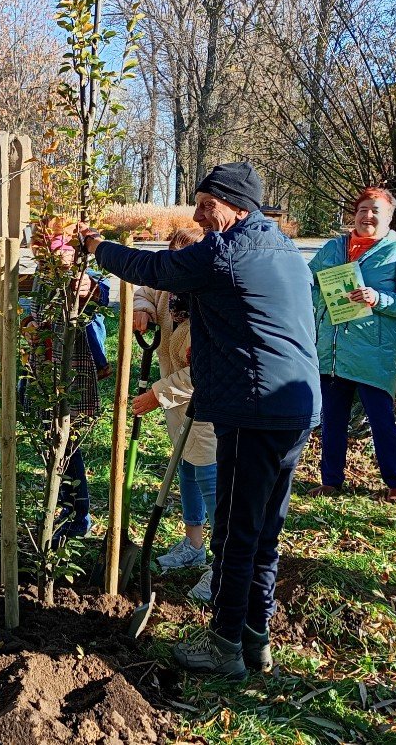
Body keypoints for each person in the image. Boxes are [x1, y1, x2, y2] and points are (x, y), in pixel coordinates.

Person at [79, 162, 320, 680]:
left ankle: (225, 646)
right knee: (263, 532)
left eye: (206, 205)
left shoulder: (226, 251)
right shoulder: (282, 250)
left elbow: (156, 272)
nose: (195, 214)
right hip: (293, 407)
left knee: (234, 532)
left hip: (253, 409)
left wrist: (96, 246)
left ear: (236, 206)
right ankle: (256, 640)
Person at [307, 187, 396, 503]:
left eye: (376, 209)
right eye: (362, 209)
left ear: (389, 215)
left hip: (372, 354)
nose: (368, 215)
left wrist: (379, 299)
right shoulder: (334, 248)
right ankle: (331, 481)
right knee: (332, 421)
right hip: (331, 350)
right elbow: (307, 285)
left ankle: (395, 484)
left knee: (381, 421)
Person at [131, 228, 219, 599]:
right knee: (185, 471)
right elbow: (145, 287)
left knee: (210, 480)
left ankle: (223, 565)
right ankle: (193, 546)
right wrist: (142, 306)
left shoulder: (212, 306)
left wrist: (157, 394)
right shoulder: (170, 291)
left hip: (208, 408)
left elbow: (207, 370)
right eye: (174, 260)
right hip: (179, 409)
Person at [24, 230, 110, 542]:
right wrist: (29, 324)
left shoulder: (81, 273)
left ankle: (79, 514)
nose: (45, 257)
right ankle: (62, 505)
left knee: (67, 445)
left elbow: (103, 296)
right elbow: (34, 310)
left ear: (71, 252)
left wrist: (91, 288)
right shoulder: (42, 273)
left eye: (52, 250)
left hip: (71, 375)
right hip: (44, 372)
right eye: (40, 250)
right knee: (52, 444)